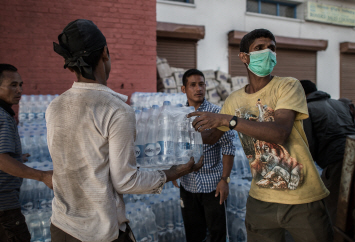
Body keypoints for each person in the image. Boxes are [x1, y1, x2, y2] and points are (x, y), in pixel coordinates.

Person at [48, 19, 203, 242]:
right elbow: (125, 181)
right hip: (99, 232)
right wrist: (174, 172)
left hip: (61, 226)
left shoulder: (55, 106)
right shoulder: (116, 109)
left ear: (71, 65)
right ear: (105, 53)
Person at [188, 29, 333, 242]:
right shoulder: (234, 100)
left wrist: (229, 120)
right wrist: (182, 134)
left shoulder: (288, 85)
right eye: (260, 48)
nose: (268, 53)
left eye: (272, 48)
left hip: (302, 197)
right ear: (244, 57)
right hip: (260, 200)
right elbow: (212, 137)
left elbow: (280, 133)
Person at [0, 64, 53, 242]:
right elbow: (2, 163)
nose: (19, 90)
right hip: (0, 202)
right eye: (13, 85)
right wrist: (43, 176)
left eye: (21, 85)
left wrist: (16, 157)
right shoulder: (0, 117)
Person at [172, 69, 235, 242]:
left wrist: (224, 180)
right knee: (193, 234)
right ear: (184, 89)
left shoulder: (217, 114)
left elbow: (228, 148)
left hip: (213, 187)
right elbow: (174, 145)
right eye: (193, 85)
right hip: (188, 184)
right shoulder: (178, 115)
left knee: (217, 234)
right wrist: (173, 170)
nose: (198, 88)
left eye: (201, 84)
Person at [300, 80, 355, 225]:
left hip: (337, 161)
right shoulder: (340, 104)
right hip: (352, 152)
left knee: (337, 208)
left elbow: (308, 144)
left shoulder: (307, 109)